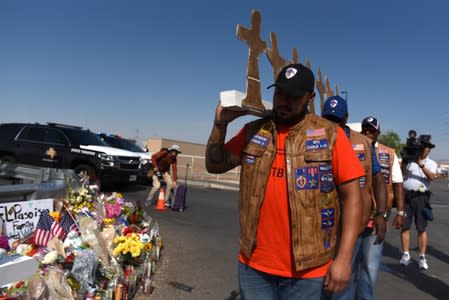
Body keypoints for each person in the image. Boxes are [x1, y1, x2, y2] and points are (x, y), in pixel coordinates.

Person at [206, 63, 365, 299]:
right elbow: (215, 165)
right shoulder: (254, 131)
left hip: (308, 270)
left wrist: (343, 258)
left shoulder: (331, 135)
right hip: (254, 266)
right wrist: (221, 125)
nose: (284, 101)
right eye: (280, 93)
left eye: (293, 96)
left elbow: (353, 197)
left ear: (309, 98)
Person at [321, 96, 387, 300]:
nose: (333, 125)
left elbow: (378, 181)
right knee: (320, 282)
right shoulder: (315, 139)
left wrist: (382, 214)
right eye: (328, 119)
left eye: (337, 120)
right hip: (321, 226)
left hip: (353, 225)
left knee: (344, 283)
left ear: (346, 118)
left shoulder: (363, 144)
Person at [361, 116, 406, 228]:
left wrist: (400, 212)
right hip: (356, 214)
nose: (367, 132)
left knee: (374, 244)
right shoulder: (352, 149)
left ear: (378, 133)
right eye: (365, 129)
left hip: (378, 216)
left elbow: (398, 184)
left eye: (371, 130)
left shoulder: (389, 153)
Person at [400, 137, 437, 270]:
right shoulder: (410, 161)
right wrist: (404, 162)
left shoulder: (431, 163)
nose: (425, 149)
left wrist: (420, 163)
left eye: (427, 148)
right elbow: (402, 174)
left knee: (421, 228)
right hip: (407, 197)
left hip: (422, 198)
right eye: (423, 147)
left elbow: (432, 177)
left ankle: (422, 257)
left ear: (429, 150)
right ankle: (405, 254)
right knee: (405, 226)